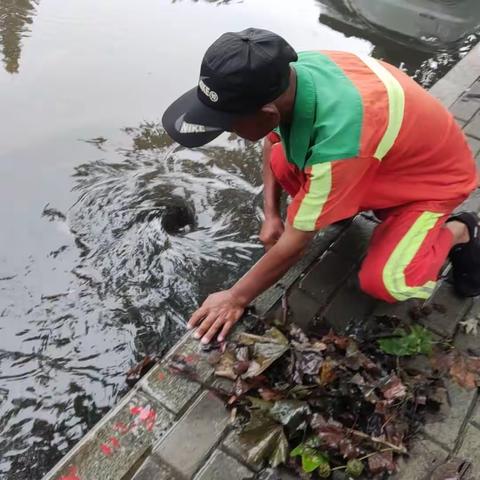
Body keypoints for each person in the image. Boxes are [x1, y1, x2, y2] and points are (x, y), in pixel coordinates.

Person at [162, 27, 479, 345]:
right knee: (283, 160)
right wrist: (271, 213)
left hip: (433, 183)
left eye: (229, 123)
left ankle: (459, 230)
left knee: (386, 282)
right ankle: (334, 207)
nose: (228, 131)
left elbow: (295, 246)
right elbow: (273, 138)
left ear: (267, 112)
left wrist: (235, 296)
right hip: (381, 159)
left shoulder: (338, 145)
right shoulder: (290, 74)